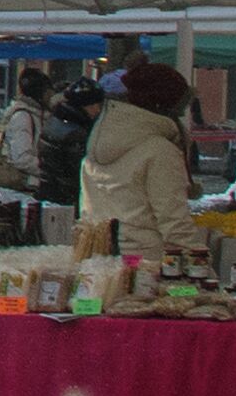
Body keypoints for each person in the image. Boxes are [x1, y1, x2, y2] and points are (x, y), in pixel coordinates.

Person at [83, 59, 202, 265]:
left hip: (96, 258)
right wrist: (197, 273)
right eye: (179, 107)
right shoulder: (160, 151)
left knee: (100, 299)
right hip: (144, 264)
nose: (182, 114)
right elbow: (174, 223)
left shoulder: (97, 141)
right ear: (164, 106)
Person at [35, 63, 98, 243]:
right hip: (65, 201)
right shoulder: (75, 132)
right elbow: (76, 172)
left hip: (50, 193)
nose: (98, 110)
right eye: (96, 105)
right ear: (88, 105)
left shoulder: (57, 120)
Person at [0, 68, 46, 197]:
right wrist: (46, 169)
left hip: (22, 186)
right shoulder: (23, 117)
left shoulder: (30, 115)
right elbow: (21, 158)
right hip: (19, 187)